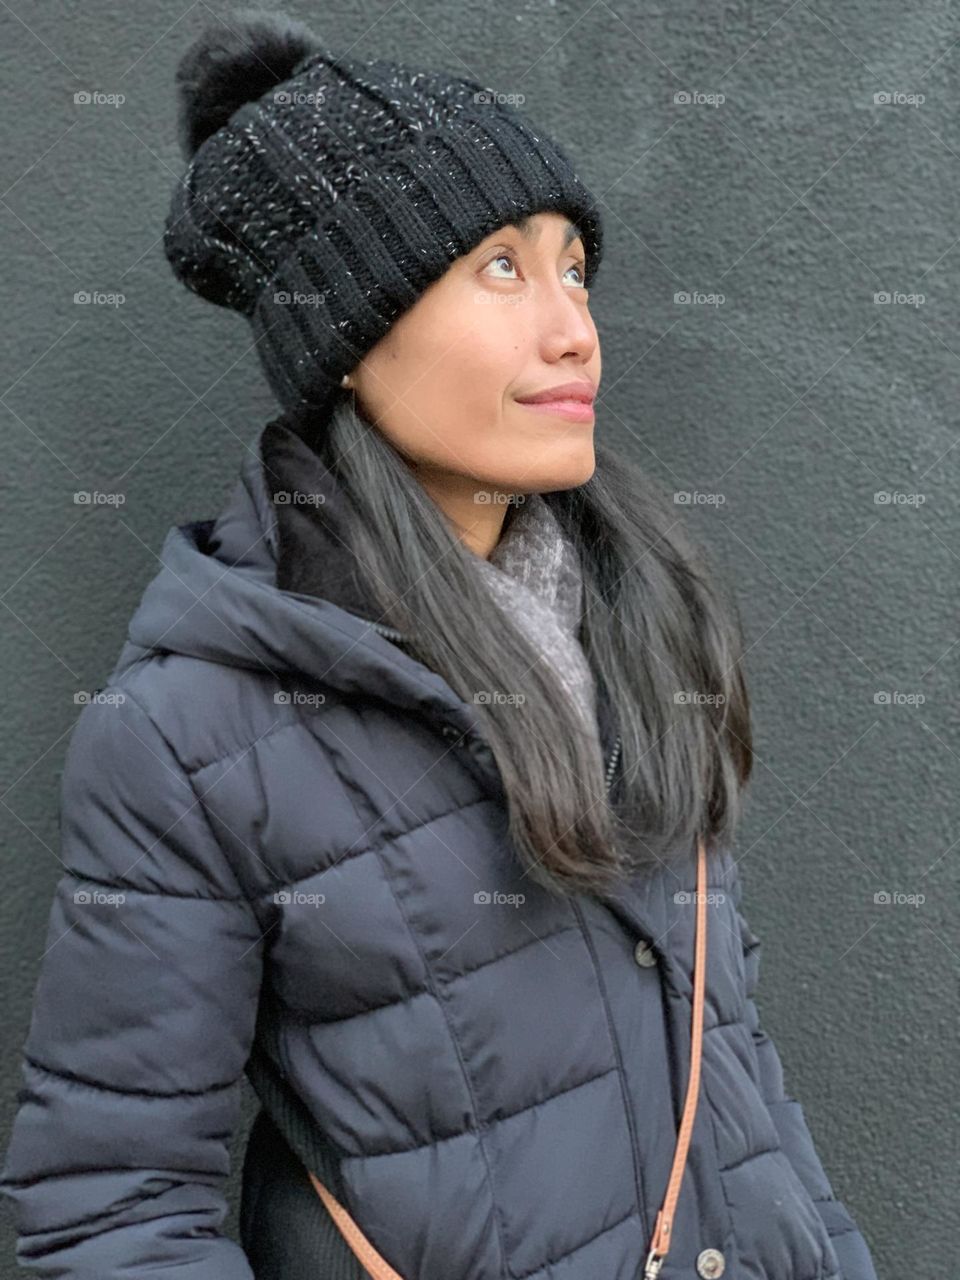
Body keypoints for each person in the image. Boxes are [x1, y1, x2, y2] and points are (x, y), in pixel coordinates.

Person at [0, 11, 879, 1280]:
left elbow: (739, 1085)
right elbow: (112, 1204)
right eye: (503, 269)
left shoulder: (639, 619)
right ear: (349, 341)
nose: (574, 328)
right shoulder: (188, 734)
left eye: (575, 268)